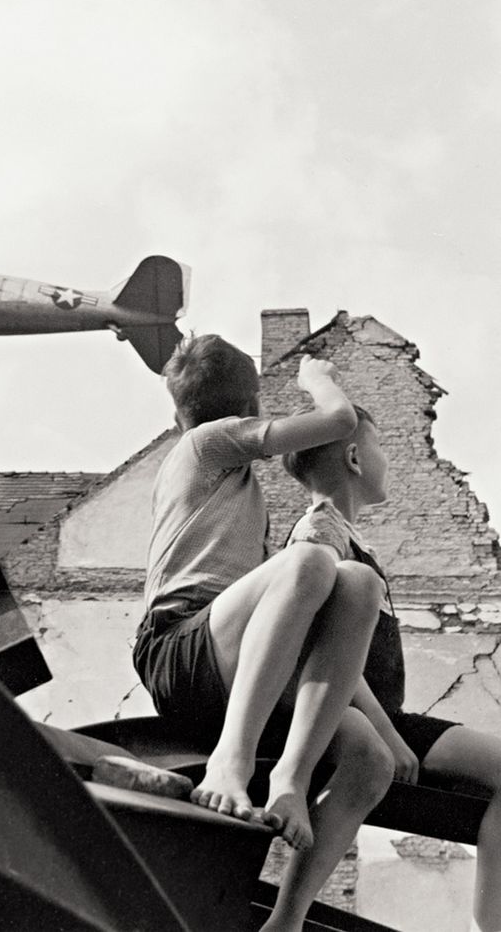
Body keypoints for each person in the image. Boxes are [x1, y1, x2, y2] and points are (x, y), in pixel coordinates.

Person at [133, 334, 392, 863]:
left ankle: (289, 794)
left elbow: (323, 644)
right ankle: (231, 760)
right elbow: (340, 421)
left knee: (371, 755)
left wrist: (384, 725)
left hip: (226, 661)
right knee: (311, 561)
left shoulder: (236, 500)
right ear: (251, 410)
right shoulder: (207, 442)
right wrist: (315, 379)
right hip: (177, 646)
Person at [282, 406, 501, 932]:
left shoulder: (347, 537)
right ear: (354, 457)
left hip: (386, 716)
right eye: (381, 448)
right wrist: (385, 733)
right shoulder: (320, 533)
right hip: (370, 719)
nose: (389, 461)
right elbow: (321, 650)